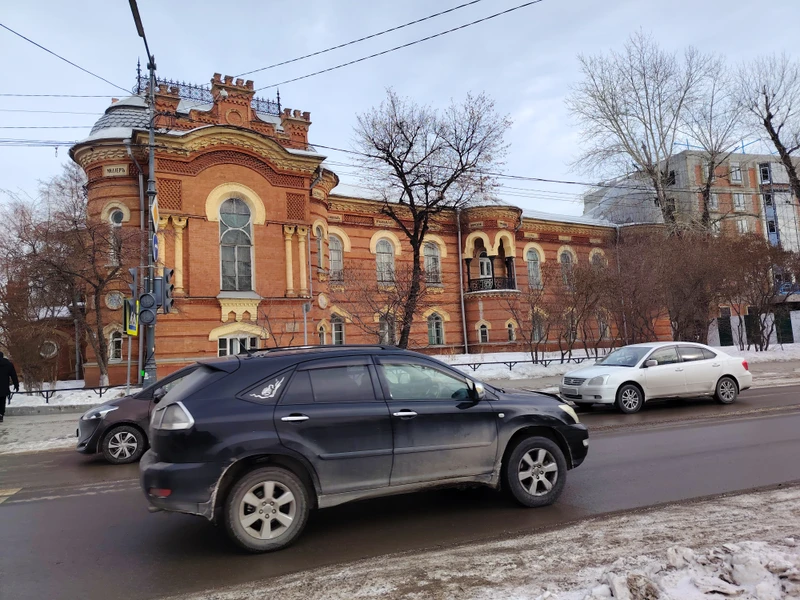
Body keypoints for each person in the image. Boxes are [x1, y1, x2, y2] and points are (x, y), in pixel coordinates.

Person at [0, 351, 19, 423]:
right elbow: (13, 375)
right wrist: (16, 385)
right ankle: (1, 414)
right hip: (4, 387)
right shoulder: (8, 364)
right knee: (2, 401)